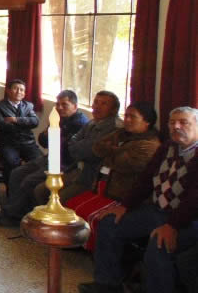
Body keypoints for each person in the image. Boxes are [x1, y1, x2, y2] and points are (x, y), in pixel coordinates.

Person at [79, 107, 198, 293]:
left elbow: (194, 199)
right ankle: (107, 284)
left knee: (160, 245)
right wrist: (125, 206)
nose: (176, 126)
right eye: (172, 122)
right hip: (157, 211)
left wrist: (172, 226)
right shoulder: (167, 147)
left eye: (183, 122)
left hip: (188, 220)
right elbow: (146, 179)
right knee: (110, 223)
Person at [0, 90, 88, 226]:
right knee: (16, 173)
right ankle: (13, 212)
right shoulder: (58, 118)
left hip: (64, 164)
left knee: (29, 181)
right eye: (57, 104)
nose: (60, 108)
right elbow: (44, 141)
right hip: (49, 157)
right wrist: (47, 135)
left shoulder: (80, 123)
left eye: (64, 105)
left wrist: (54, 137)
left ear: (75, 106)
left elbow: (69, 150)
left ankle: (15, 215)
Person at [67, 102, 161, 251]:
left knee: (96, 217)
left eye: (133, 117)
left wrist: (110, 153)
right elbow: (97, 148)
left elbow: (122, 164)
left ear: (147, 121)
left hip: (123, 194)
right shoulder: (121, 133)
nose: (127, 120)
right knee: (70, 205)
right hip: (103, 187)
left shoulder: (150, 144)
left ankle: (93, 248)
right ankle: (77, 244)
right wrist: (115, 152)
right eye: (126, 115)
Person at [40, 90, 122, 204]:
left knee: (57, 199)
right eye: (96, 102)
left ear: (114, 109)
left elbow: (91, 152)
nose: (97, 106)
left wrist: (79, 146)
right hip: (76, 169)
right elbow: (71, 144)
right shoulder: (92, 122)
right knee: (40, 190)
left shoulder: (114, 128)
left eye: (104, 104)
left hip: (92, 177)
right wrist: (80, 146)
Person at [0, 79, 40, 186]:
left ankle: (29, 188)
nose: (19, 92)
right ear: (8, 91)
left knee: (39, 161)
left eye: (22, 90)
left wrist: (16, 120)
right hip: (8, 143)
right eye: (15, 89)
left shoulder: (28, 106)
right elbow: (1, 125)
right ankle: (11, 190)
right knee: (12, 162)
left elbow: (35, 122)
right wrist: (25, 124)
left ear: (24, 93)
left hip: (28, 142)